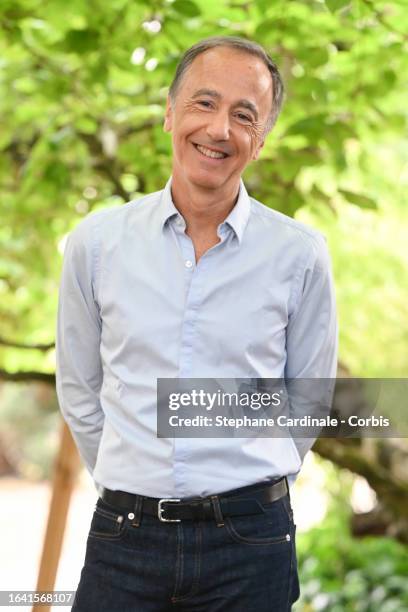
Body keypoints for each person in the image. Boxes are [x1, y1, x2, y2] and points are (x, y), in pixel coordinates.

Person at [56, 36, 338, 612]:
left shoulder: (301, 255)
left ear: (260, 141)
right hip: (124, 538)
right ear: (169, 112)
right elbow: (79, 390)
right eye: (204, 103)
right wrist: (130, 475)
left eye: (244, 115)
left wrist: (254, 481)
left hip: (251, 543)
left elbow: (308, 398)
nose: (219, 130)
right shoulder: (97, 245)